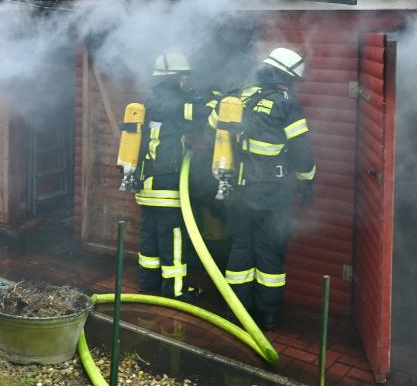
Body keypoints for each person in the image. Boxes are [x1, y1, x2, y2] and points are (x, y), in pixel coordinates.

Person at [211, 47, 316, 330]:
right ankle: (268, 317)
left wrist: (223, 99)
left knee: (241, 250)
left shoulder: (239, 96)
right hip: (271, 193)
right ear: (286, 76)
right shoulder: (286, 102)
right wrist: (307, 180)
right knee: (269, 253)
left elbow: (212, 124)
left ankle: (238, 313)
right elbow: (302, 151)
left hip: (237, 191)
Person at [135, 51, 210, 301]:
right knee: (173, 236)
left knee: (150, 234)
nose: (184, 83)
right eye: (182, 78)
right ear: (172, 78)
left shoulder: (149, 101)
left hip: (146, 183)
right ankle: (175, 290)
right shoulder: (177, 104)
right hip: (167, 182)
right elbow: (204, 115)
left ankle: (147, 282)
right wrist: (217, 100)